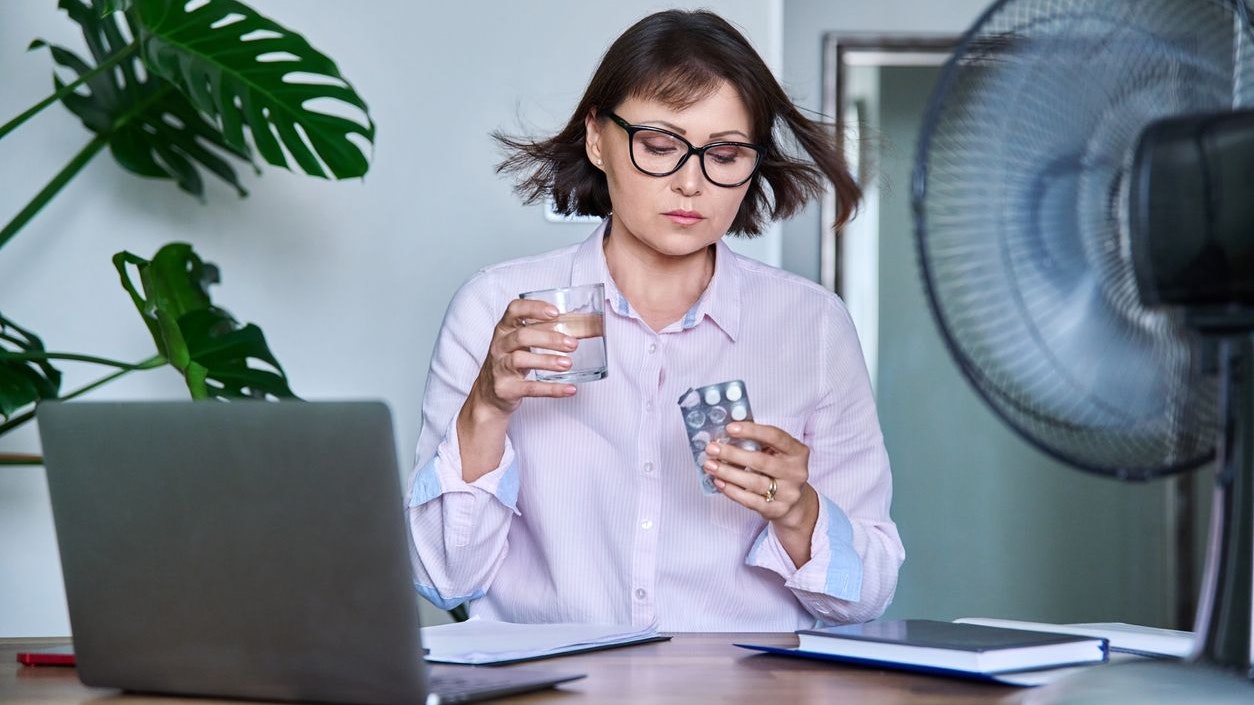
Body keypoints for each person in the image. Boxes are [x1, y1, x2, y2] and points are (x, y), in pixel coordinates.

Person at [406, 9, 903, 631]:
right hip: (545, 686)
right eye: (661, 146)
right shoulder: (495, 308)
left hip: (743, 689)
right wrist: (486, 408)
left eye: (724, 153)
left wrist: (797, 510)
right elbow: (442, 579)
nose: (691, 183)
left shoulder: (813, 328)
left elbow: (867, 595)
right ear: (597, 139)